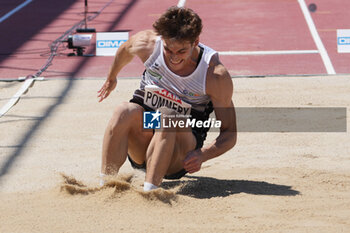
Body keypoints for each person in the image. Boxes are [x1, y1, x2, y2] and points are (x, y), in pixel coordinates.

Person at [97, 6, 237, 191]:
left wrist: (203, 154)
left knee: (168, 116)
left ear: (196, 42)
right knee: (124, 110)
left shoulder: (214, 74)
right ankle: (105, 186)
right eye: (169, 50)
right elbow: (124, 50)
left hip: (179, 151)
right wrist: (111, 77)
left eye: (181, 51)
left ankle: (151, 192)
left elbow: (230, 133)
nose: (174, 58)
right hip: (145, 139)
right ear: (161, 39)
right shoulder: (147, 43)